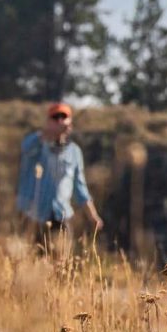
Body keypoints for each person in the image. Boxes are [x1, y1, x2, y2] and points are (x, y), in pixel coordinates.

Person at [16, 101, 103, 252]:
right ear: (48, 121)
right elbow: (25, 148)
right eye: (55, 118)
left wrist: (93, 216)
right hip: (32, 216)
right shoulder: (36, 144)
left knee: (60, 264)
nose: (60, 121)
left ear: (70, 123)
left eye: (64, 117)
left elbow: (80, 187)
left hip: (60, 215)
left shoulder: (75, 152)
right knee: (29, 264)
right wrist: (47, 134)